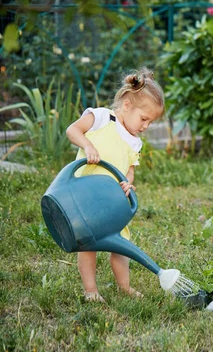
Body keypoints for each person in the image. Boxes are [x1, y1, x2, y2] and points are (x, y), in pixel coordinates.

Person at [66, 67, 165, 302]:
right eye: (144, 119)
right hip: (86, 196)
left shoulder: (134, 143)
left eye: (150, 122)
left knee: (120, 245)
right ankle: (91, 290)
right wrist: (87, 146)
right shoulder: (101, 118)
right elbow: (73, 130)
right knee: (87, 244)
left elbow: (128, 171)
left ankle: (125, 287)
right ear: (128, 105)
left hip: (112, 202)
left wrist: (126, 185)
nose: (145, 126)